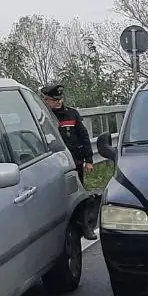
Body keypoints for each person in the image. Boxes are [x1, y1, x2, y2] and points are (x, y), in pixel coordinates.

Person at [41, 81, 98, 240]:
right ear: (46, 100)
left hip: (74, 163)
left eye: (60, 99)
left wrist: (89, 160)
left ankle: (85, 226)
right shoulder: (42, 117)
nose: (58, 102)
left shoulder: (72, 114)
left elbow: (84, 137)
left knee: (79, 196)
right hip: (52, 166)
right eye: (54, 100)